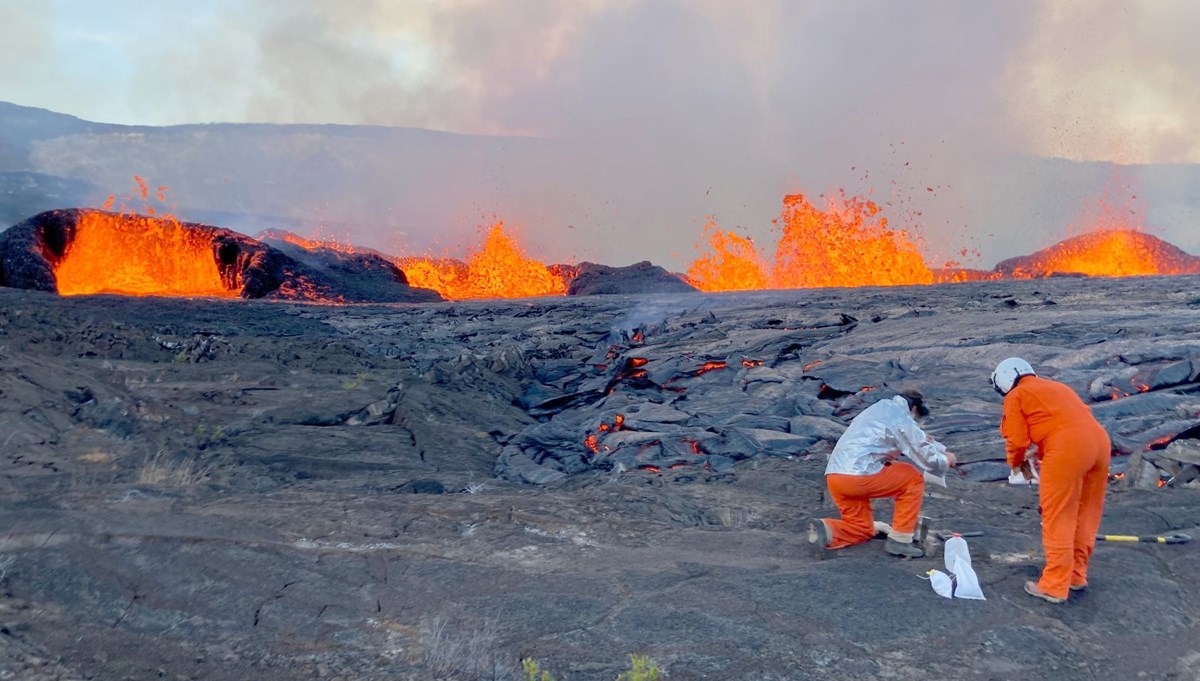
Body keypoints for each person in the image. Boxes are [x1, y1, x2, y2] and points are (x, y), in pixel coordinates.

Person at [991, 357, 1111, 604]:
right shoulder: (1056, 387)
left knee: (1058, 515)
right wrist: (1042, 450)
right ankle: (1076, 575)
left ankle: (1055, 584)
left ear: (1004, 380)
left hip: (1068, 448)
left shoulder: (1016, 395)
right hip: (1099, 443)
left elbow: (1016, 440)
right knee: (1087, 511)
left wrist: (1016, 464)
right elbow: (1065, 423)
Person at [807, 388, 955, 558]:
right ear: (914, 409)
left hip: (835, 477)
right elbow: (925, 457)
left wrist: (919, 436)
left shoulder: (878, 409)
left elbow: (879, 442)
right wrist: (946, 460)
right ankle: (900, 540)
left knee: (862, 528)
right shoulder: (900, 417)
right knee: (912, 477)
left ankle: (825, 529)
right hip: (858, 476)